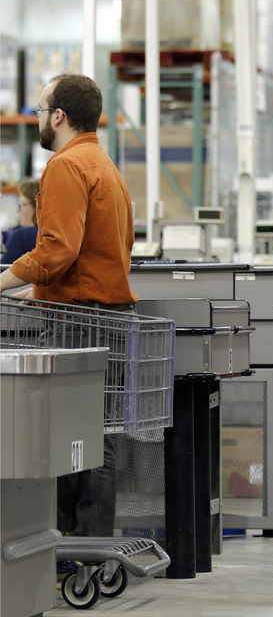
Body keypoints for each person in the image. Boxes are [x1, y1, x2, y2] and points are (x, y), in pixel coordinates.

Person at [0, 74, 136, 547]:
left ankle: (74, 548)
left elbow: (56, 250)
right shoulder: (103, 163)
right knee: (98, 434)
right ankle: (90, 546)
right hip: (108, 314)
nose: (39, 118)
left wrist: (3, 281)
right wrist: (36, 290)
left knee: (66, 438)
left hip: (80, 321)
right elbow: (107, 249)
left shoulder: (65, 166)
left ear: (59, 116)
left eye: (40, 110)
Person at [1, 179, 40, 264]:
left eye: (21, 204)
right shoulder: (58, 235)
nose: (18, 210)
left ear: (36, 206)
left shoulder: (21, 236)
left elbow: (3, 269)